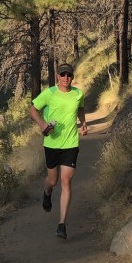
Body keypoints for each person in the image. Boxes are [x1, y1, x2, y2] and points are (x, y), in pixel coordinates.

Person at [29, 63, 88, 239]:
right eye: (62, 75)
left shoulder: (78, 94)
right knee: (53, 181)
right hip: (52, 144)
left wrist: (83, 123)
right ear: (57, 76)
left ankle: (61, 224)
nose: (66, 78)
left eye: (69, 75)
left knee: (66, 181)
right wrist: (43, 125)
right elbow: (33, 109)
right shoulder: (50, 93)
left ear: (72, 76)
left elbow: (81, 108)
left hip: (70, 143)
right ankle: (47, 193)